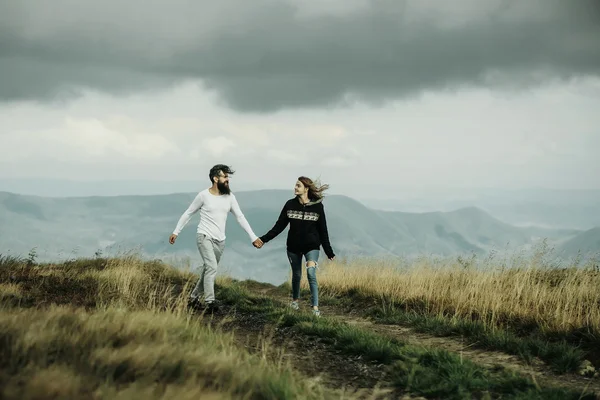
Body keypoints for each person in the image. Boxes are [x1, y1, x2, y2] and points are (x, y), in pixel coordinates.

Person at [169, 164, 263, 311]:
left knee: (208, 269)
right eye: (224, 177)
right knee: (212, 268)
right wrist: (176, 231)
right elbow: (188, 213)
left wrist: (253, 237)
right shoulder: (203, 196)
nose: (227, 180)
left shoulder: (230, 197)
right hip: (204, 236)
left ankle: (193, 298)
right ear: (215, 178)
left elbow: (240, 217)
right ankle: (210, 302)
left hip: (220, 241)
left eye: (228, 177)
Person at [256, 176, 335, 317]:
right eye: (295, 185)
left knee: (311, 273)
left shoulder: (317, 207)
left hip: (312, 247)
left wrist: (328, 251)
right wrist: (263, 239)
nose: (295, 187)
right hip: (293, 247)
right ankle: (295, 301)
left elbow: (323, 230)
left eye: (298, 185)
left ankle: (315, 308)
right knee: (297, 274)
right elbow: (278, 227)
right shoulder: (290, 205)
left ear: (306, 188)